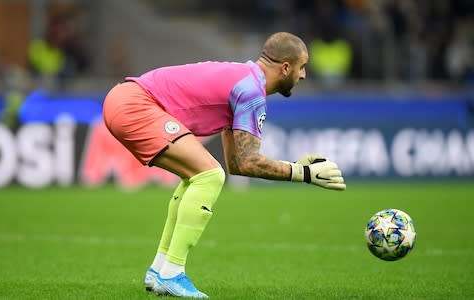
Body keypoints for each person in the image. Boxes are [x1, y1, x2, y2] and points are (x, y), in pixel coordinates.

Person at [102, 32, 346, 298]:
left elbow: (239, 164)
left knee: (196, 177)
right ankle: (172, 272)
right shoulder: (251, 91)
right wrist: (305, 174)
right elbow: (249, 160)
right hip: (134, 104)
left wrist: (297, 169)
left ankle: (159, 270)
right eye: (302, 67)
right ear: (286, 67)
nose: (303, 76)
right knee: (209, 175)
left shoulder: (244, 79)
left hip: (123, 100)